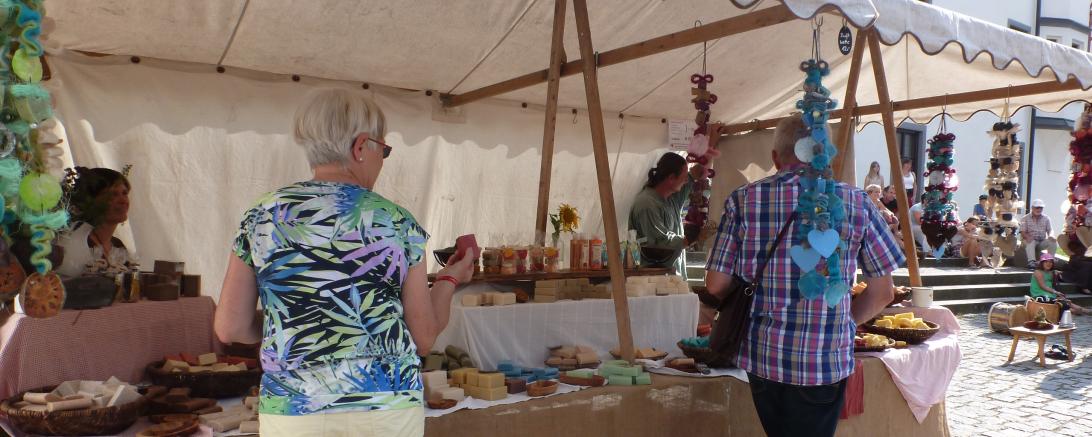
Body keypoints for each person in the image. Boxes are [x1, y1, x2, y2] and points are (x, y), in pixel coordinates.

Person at [214, 89, 474, 437]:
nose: (383, 159)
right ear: (360, 146)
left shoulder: (263, 217)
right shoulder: (396, 222)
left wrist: (294, 323)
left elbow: (229, 328)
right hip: (386, 409)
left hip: (296, 409)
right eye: (384, 150)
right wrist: (448, 280)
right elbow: (423, 337)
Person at [704, 116, 904, 437]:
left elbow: (715, 284)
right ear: (826, 155)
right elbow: (883, 293)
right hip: (824, 359)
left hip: (763, 355)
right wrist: (843, 323)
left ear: (775, 157)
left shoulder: (743, 199)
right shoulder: (857, 202)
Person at [629, 128, 718, 280]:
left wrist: (712, 142)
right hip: (653, 280)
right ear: (671, 178)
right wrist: (695, 237)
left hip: (673, 277)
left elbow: (697, 172)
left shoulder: (671, 196)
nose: (686, 180)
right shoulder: (647, 204)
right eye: (683, 176)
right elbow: (660, 243)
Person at [55, 167, 135, 278]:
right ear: (92, 201)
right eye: (113, 195)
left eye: (124, 193)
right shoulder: (77, 241)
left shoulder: (117, 245)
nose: (123, 200)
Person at [1019, 199, 1057, 269]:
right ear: (1032, 208)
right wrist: (1027, 237)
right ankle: (1031, 262)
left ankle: (1050, 261)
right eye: (1037, 207)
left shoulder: (1046, 218)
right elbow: (1022, 232)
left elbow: (1050, 230)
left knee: (1053, 241)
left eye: (1041, 208)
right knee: (1030, 240)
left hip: (1041, 242)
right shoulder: (1025, 218)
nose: (1039, 209)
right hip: (1028, 241)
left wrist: (1051, 235)